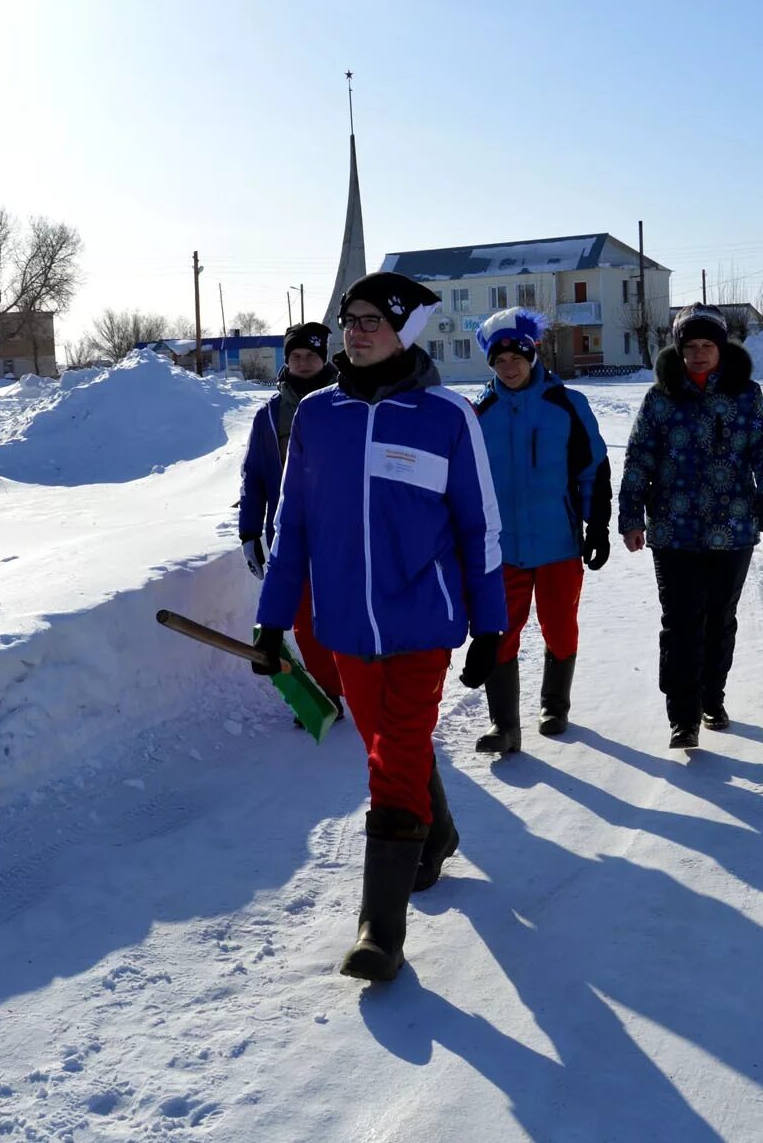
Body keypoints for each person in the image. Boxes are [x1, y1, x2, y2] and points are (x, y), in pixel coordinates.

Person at [252, 270, 507, 982]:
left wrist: (491, 629)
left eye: (370, 319)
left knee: (390, 764)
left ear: (403, 331)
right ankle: (442, 831)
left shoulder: (446, 416)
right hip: (344, 629)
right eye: (349, 318)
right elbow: (294, 528)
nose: (354, 330)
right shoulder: (318, 418)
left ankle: (380, 931)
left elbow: (479, 526)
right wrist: (272, 622)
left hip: (423, 622)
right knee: (392, 745)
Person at [618, 304, 763, 751]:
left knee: (718, 619)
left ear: (721, 348)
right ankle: (683, 716)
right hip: (673, 530)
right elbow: (639, 459)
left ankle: (713, 697)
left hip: (731, 529)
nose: (697, 354)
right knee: (679, 622)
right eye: (689, 346)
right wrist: (631, 516)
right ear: (679, 349)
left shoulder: (745, 395)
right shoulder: (660, 397)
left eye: (706, 345)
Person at [469, 307, 611, 754]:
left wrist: (598, 526)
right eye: (499, 361)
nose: (509, 368)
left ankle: (555, 705)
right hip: (501, 547)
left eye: (517, 358)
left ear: (533, 356)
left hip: (558, 542)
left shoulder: (567, 405)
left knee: (559, 625)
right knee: (499, 629)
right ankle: (504, 726)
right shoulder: (479, 413)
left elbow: (594, 469)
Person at [238, 321, 343, 723]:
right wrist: (250, 531)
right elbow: (255, 476)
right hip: (288, 535)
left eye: (311, 356)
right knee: (302, 622)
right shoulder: (269, 415)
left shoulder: (345, 404)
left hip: (340, 532)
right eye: (295, 356)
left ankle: (361, 686)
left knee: (343, 614)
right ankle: (327, 694)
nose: (302, 363)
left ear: (324, 358)